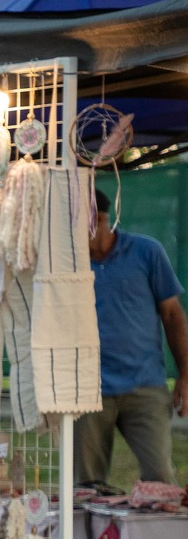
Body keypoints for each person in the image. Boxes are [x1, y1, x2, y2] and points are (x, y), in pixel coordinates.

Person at [77, 189, 186, 484]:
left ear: (99, 219)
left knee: (161, 480)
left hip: (145, 386)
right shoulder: (69, 264)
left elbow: (173, 315)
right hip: (88, 390)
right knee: (85, 487)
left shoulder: (147, 251)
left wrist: (185, 376)